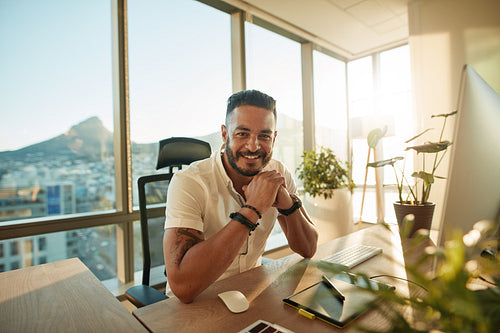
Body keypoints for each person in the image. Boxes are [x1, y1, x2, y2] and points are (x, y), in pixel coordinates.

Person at [163, 89, 319, 303]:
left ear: (274, 138)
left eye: (264, 136)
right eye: (242, 133)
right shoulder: (189, 182)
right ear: (225, 134)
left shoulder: (278, 174)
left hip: (250, 293)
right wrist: (252, 210)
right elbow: (183, 286)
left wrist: (288, 205)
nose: (253, 146)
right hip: (196, 303)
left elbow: (308, 248)